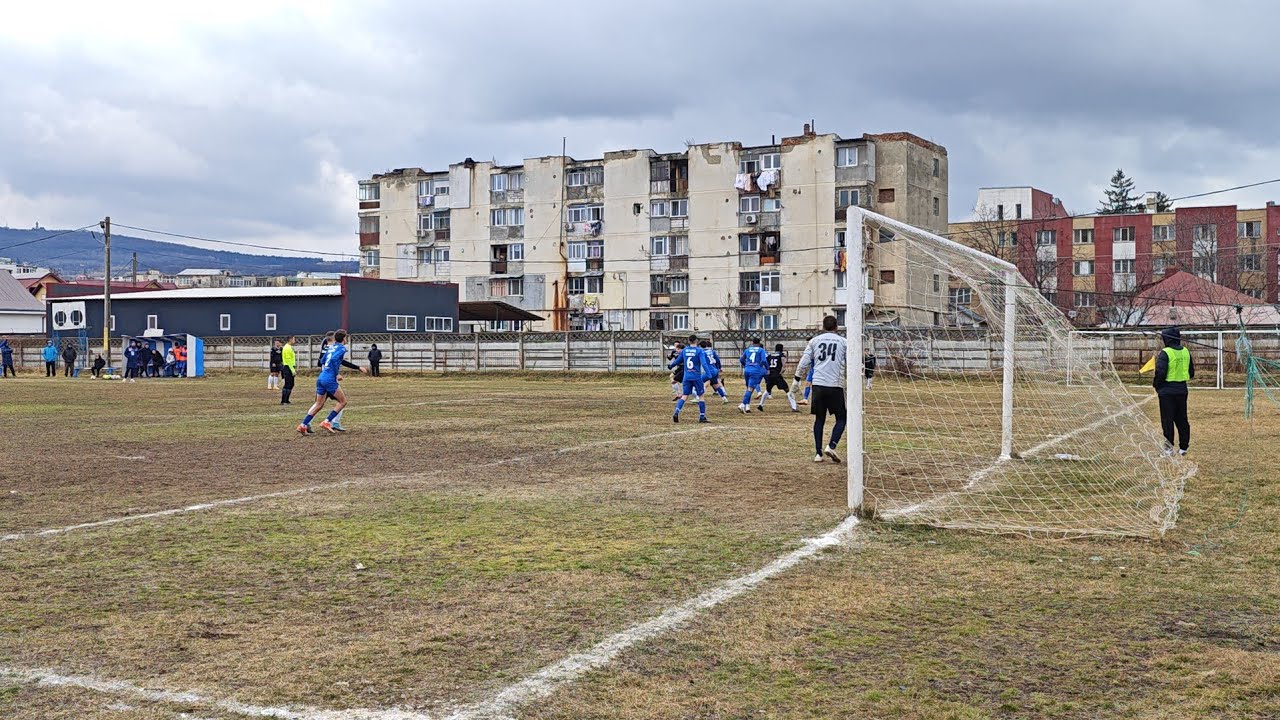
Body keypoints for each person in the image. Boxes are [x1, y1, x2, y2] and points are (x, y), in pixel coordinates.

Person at [794, 315, 848, 463]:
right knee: (842, 418)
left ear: (823, 327)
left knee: (819, 419)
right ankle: (832, 445)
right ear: (837, 327)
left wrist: (797, 378)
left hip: (818, 385)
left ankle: (818, 454)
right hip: (835, 385)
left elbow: (804, 361)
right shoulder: (844, 342)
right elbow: (851, 362)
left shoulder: (814, 341)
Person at [298, 329, 366, 435]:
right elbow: (334, 360)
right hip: (329, 379)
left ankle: (303, 425)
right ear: (344, 338)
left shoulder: (330, 347)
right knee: (343, 402)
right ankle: (327, 421)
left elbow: (322, 361)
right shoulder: (341, 348)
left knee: (319, 404)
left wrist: (356, 367)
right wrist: (336, 373)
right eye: (346, 337)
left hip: (321, 377)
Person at [1154, 327, 1194, 456]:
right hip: (1182, 390)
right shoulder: (1186, 352)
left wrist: (1157, 385)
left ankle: (1168, 449)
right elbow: (1191, 372)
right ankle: (1183, 448)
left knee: (1167, 420)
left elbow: (1160, 372)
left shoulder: (1165, 353)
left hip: (1167, 392)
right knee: (1182, 419)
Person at [669, 334, 710, 423]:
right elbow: (704, 363)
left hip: (687, 376)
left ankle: (676, 412)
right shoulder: (699, 351)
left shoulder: (685, 350)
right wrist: (709, 374)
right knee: (701, 395)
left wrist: (671, 365)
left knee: (685, 395)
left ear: (689, 341)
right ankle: (702, 416)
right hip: (696, 376)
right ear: (696, 341)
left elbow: (677, 360)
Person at [762, 343, 798, 413]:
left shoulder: (770, 355)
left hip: (770, 375)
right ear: (781, 349)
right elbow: (783, 366)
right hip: (777, 375)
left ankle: (761, 405)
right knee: (787, 390)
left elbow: (765, 363)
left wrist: (768, 370)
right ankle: (794, 407)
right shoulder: (782, 355)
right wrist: (780, 373)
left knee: (767, 390)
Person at [738, 337, 769, 414]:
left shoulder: (747, 349)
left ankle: (747, 406)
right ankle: (742, 404)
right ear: (759, 343)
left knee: (748, 388)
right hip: (755, 371)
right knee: (750, 389)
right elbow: (764, 360)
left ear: (752, 342)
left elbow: (741, 359)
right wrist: (765, 367)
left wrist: (746, 365)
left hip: (747, 370)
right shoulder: (761, 350)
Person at [280, 336, 297, 404]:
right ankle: (284, 400)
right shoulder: (287, 348)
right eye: (294, 339)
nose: (294, 340)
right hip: (288, 367)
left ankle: (286, 400)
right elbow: (288, 360)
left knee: (291, 384)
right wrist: (292, 370)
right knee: (288, 384)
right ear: (290, 339)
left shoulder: (289, 347)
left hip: (289, 367)